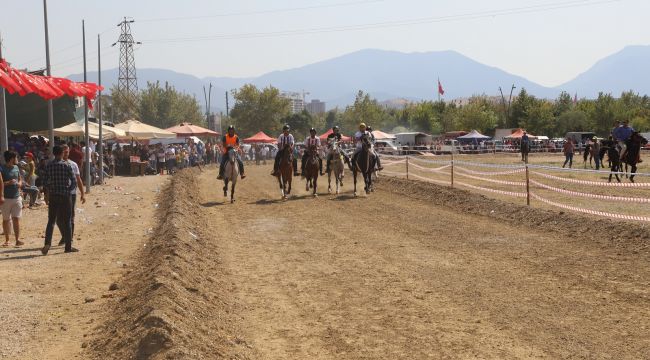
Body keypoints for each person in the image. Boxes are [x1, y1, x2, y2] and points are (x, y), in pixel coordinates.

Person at [41, 145, 77, 255]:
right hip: (65, 195)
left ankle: (47, 243)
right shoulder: (67, 165)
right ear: (62, 153)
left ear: (53, 153)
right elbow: (74, 181)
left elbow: (45, 181)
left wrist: (51, 188)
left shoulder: (49, 165)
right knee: (67, 221)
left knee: (51, 221)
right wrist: (68, 190)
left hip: (53, 195)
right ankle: (68, 246)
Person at [56, 145, 86, 246]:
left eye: (67, 152)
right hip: (59, 193)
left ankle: (69, 238)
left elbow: (78, 179)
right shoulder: (55, 164)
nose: (66, 153)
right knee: (59, 218)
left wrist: (82, 193)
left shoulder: (73, 165)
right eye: (64, 152)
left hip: (71, 194)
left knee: (70, 217)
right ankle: (65, 236)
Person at [1, 151, 24, 247]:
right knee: (6, 219)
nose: (17, 159)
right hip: (6, 198)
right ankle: (7, 240)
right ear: (11, 158)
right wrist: (8, 183)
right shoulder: (2, 168)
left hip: (16, 197)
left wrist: (20, 183)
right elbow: (0, 184)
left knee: (16, 219)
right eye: (16, 157)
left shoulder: (16, 167)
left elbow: (20, 179)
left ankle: (17, 239)